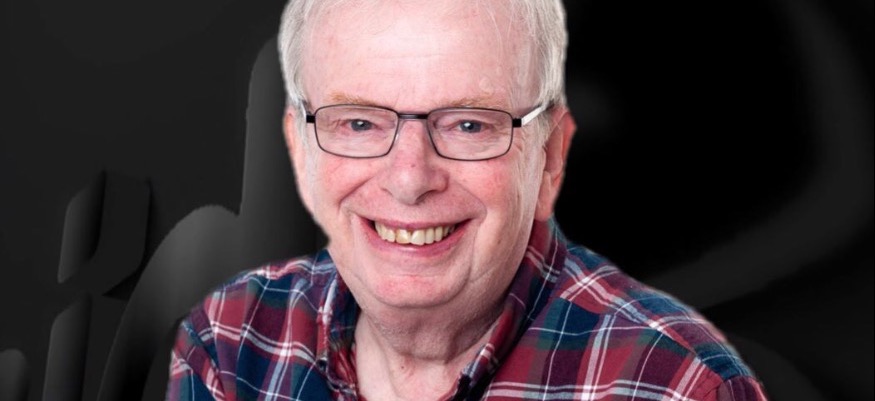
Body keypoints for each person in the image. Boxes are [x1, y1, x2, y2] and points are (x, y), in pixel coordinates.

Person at [167, 0, 768, 399]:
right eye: (359, 124)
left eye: (469, 125)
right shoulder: (230, 342)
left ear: (550, 158)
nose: (409, 179)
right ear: (300, 152)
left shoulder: (674, 386)